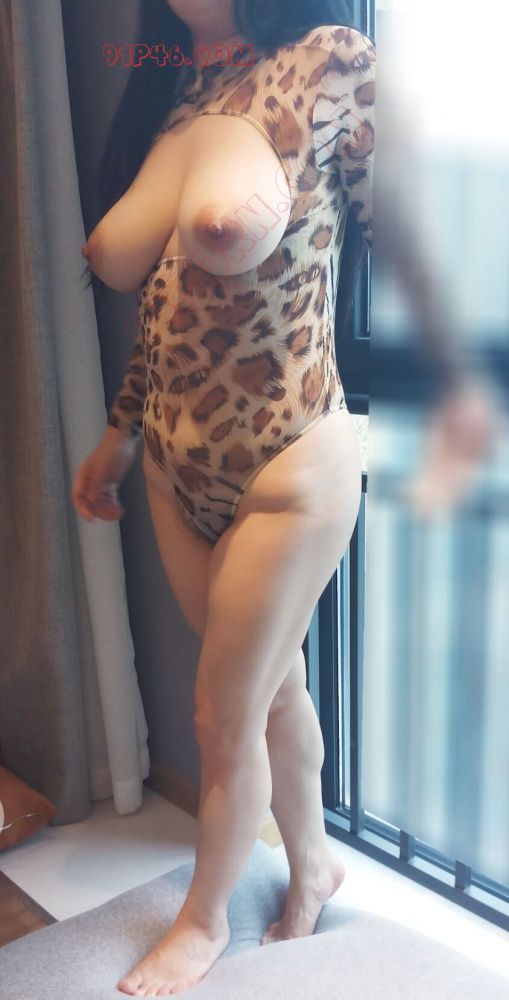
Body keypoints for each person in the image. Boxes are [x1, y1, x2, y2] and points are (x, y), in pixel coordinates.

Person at [71, 0, 493, 996]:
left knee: (218, 715)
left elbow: (406, 239)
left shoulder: (330, 61)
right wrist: (119, 434)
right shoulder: (173, 85)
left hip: (291, 457)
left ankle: (202, 920)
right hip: (175, 462)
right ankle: (312, 866)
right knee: (270, 694)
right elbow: (166, 306)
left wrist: (457, 382)